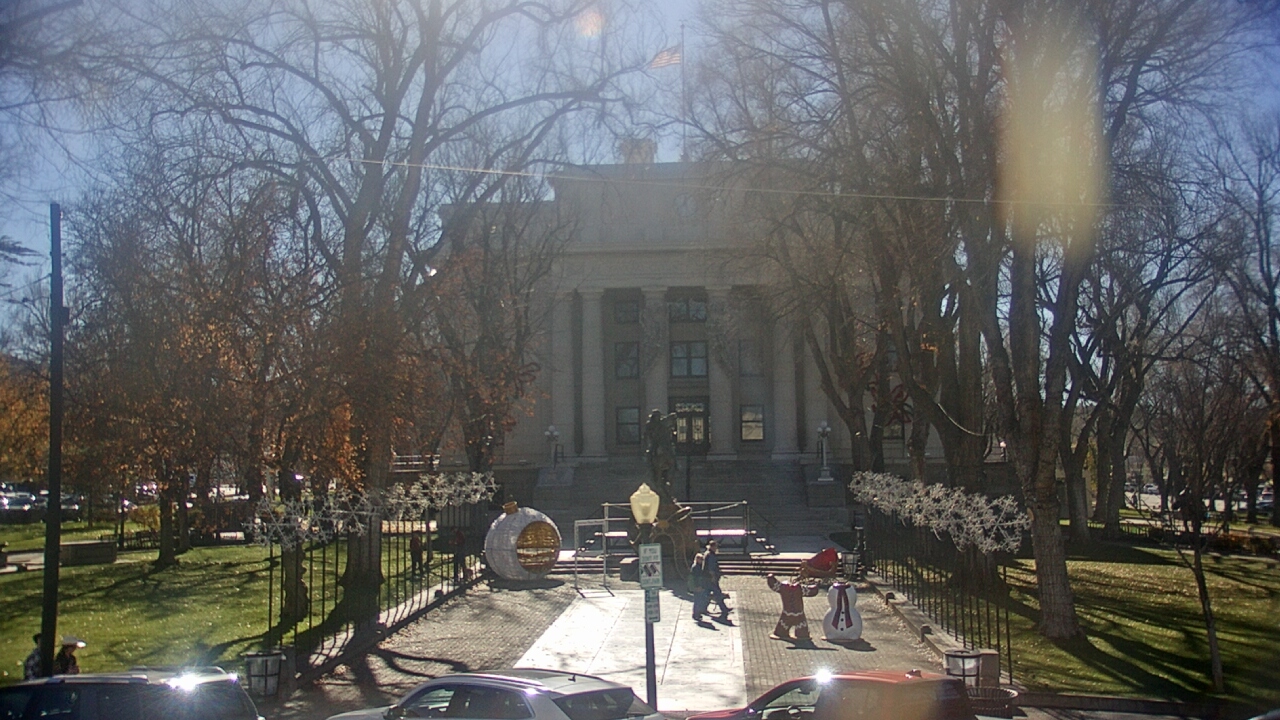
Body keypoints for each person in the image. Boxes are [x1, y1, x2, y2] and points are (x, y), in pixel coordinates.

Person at [704, 540, 730, 618]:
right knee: (717, 593)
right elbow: (711, 568)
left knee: (709, 593)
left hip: (707, 578)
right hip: (711, 578)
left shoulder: (707, 553)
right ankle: (724, 609)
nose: (716, 548)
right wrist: (713, 577)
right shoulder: (711, 555)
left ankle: (703, 608)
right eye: (715, 547)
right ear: (712, 547)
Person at [689, 550, 711, 621]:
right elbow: (696, 578)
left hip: (699, 585)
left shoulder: (697, 566)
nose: (702, 560)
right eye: (701, 559)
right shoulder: (696, 567)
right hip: (697, 586)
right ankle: (696, 614)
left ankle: (697, 613)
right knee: (697, 600)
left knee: (699, 600)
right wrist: (698, 586)